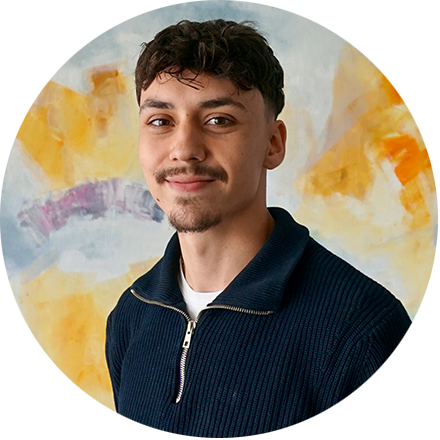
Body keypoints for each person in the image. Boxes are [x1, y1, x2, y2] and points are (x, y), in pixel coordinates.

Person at [105, 19, 411, 436]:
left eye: (219, 120)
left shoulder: (361, 330)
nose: (185, 149)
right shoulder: (131, 316)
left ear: (273, 143)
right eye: (161, 121)